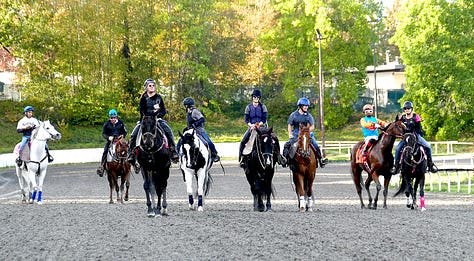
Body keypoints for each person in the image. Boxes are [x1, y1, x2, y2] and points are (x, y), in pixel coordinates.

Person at [127, 78, 179, 165]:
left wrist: (158, 114)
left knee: (168, 131)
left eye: (153, 85)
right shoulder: (143, 98)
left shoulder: (159, 97)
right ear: (146, 87)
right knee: (133, 134)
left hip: (157, 119)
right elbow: (142, 110)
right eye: (150, 86)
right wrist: (154, 112)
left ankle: (173, 151)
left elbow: (163, 111)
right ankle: (131, 154)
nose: (152, 87)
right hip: (145, 120)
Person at [238, 89, 286, 168]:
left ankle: (279, 156)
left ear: (259, 98)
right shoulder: (248, 107)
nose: (256, 98)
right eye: (254, 97)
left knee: (275, 138)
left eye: (257, 97)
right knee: (243, 141)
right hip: (252, 127)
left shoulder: (263, 107)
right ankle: (241, 159)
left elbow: (264, 118)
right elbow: (246, 119)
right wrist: (251, 125)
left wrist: (259, 124)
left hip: (262, 127)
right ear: (252, 98)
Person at [393, 101, 437, 174]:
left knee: (428, 146)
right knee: (398, 149)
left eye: (408, 108)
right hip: (406, 136)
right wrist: (403, 134)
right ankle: (396, 166)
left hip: (416, 135)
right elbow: (399, 127)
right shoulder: (402, 117)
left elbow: (419, 128)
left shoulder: (416, 116)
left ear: (411, 109)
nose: (407, 110)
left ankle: (430, 164)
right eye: (405, 108)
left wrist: (414, 134)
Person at [282, 98, 328, 168]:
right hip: (296, 133)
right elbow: (290, 125)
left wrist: (306, 131)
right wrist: (290, 134)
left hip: (307, 133)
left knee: (315, 144)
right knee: (287, 145)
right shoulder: (293, 115)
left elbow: (312, 126)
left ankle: (320, 159)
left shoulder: (308, 116)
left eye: (307, 106)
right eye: (305, 106)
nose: (306, 107)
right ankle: (286, 160)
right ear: (300, 106)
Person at [177, 97, 220, 162]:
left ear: (187, 105)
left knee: (208, 141)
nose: (184, 107)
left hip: (199, 130)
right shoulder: (188, 113)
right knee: (181, 141)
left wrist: (195, 124)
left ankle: (214, 154)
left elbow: (202, 119)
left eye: (185, 105)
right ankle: (177, 155)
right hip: (191, 131)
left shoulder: (195, 111)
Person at [96, 109, 128, 177]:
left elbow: (125, 132)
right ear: (109, 117)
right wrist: (108, 137)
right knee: (105, 151)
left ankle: (133, 163)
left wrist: (123, 136)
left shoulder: (121, 123)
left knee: (127, 149)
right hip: (111, 141)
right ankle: (102, 166)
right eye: (111, 118)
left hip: (120, 141)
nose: (113, 119)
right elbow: (104, 133)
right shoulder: (107, 124)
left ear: (116, 117)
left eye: (114, 118)